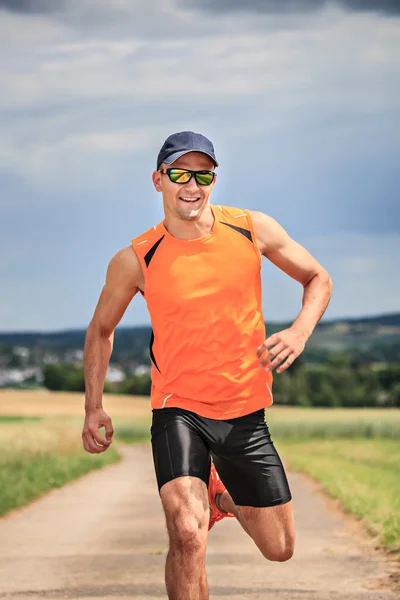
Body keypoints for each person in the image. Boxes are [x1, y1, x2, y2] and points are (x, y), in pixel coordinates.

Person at [82, 131, 333, 600]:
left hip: (244, 412)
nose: (192, 186)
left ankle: (218, 496)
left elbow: (318, 277)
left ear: (213, 180)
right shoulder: (137, 258)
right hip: (178, 410)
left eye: (203, 175)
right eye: (180, 174)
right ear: (159, 180)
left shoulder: (251, 228)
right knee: (187, 532)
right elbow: (100, 330)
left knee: (280, 548)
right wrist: (93, 406)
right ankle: (201, 507)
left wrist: (299, 331)